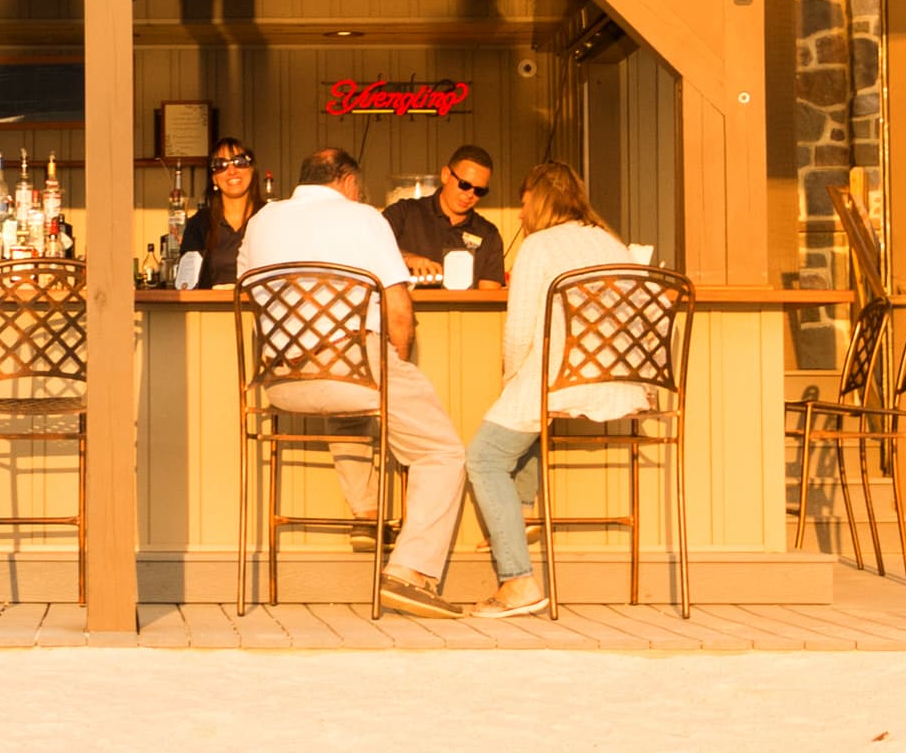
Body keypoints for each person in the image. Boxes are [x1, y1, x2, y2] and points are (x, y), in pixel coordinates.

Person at [238, 144, 468, 619]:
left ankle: (368, 514)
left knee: (353, 407)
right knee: (441, 450)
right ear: (346, 180)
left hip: (278, 379)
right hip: (351, 367)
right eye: (358, 186)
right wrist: (394, 363)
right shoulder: (363, 217)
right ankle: (410, 573)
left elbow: (247, 292)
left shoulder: (261, 220)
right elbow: (399, 312)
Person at [460, 160, 644, 620]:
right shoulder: (612, 242)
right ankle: (520, 509)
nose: (519, 215)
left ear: (538, 201)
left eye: (523, 203)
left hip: (561, 378)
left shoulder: (539, 246)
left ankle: (518, 583)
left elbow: (520, 330)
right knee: (525, 418)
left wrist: (509, 382)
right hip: (620, 382)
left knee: (484, 455)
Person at [385, 143, 507, 287]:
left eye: (479, 191)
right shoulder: (403, 213)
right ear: (446, 175)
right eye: (464, 185)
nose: (470, 194)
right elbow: (369, 246)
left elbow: (489, 295)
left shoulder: (489, 235)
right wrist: (407, 258)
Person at [173, 139, 264, 288]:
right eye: (220, 164)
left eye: (240, 161)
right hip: (211, 310)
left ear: (252, 169)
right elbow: (187, 283)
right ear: (214, 178)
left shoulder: (270, 218)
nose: (232, 171)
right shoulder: (200, 224)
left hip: (262, 308)